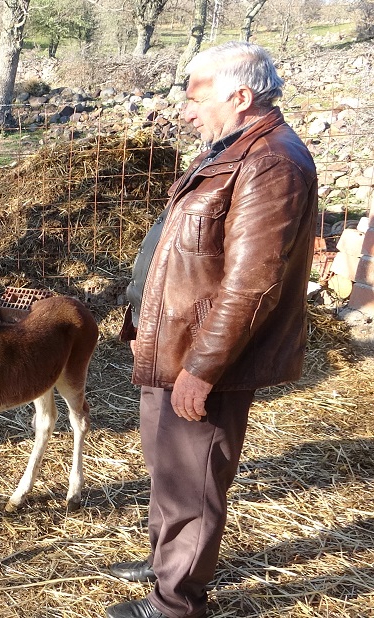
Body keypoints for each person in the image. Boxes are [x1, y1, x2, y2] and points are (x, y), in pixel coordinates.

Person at [109, 41, 318, 618]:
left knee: (192, 486)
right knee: (169, 471)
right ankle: (165, 565)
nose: (183, 108)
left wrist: (202, 369)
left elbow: (253, 285)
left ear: (240, 96)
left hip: (203, 358)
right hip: (173, 348)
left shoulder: (272, 163)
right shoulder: (229, 149)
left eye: (194, 94)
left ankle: (175, 604)